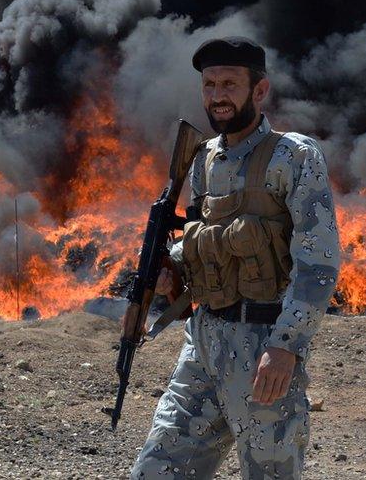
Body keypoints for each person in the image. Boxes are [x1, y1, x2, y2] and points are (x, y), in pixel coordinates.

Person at [130, 36, 342, 479]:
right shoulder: (204, 158)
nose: (218, 96)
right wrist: (172, 267)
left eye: (229, 84)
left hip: (264, 343)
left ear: (259, 91)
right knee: (157, 470)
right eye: (209, 85)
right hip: (203, 341)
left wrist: (287, 347)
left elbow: (317, 264)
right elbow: (207, 242)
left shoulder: (294, 156)